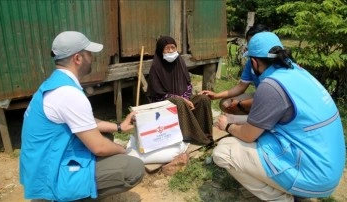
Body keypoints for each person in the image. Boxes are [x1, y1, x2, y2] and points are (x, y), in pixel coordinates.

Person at [212, 32, 345, 201]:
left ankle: (283, 198)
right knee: (257, 136)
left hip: (314, 176)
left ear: (253, 62)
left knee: (223, 150)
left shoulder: (271, 86)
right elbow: (271, 121)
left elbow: (248, 135)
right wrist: (234, 120)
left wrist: (227, 126)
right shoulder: (297, 71)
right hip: (327, 165)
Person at [19, 31, 145, 201]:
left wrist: (119, 127)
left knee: (107, 136)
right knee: (133, 167)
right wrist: (125, 151)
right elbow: (99, 147)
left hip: (40, 166)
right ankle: (68, 196)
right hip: (49, 175)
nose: (92, 58)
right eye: (89, 54)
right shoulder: (68, 94)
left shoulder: (55, 83)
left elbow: (87, 122)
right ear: (78, 58)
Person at [146, 36, 213, 146]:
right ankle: (190, 136)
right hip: (164, 103)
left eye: (173, 47)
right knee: (179, 102)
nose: (171, 51)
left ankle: (204, 133)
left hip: (183, 99)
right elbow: (157, 94)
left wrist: (186, 97)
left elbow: (188, 84)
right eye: (167, 48)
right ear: (160, 50)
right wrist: (182, 99)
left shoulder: (179, 62)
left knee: (203, 99)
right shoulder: (156, 68)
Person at [200, 24, 270, 115]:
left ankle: (252, 122)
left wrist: (241, 104)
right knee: (225, 104)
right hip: (261, 96)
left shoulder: (281, 66)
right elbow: (241, 86)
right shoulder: (251, 62)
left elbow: (272, 99)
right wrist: (216, 95)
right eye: (250, 43)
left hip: (274, 102)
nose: (251, 47)